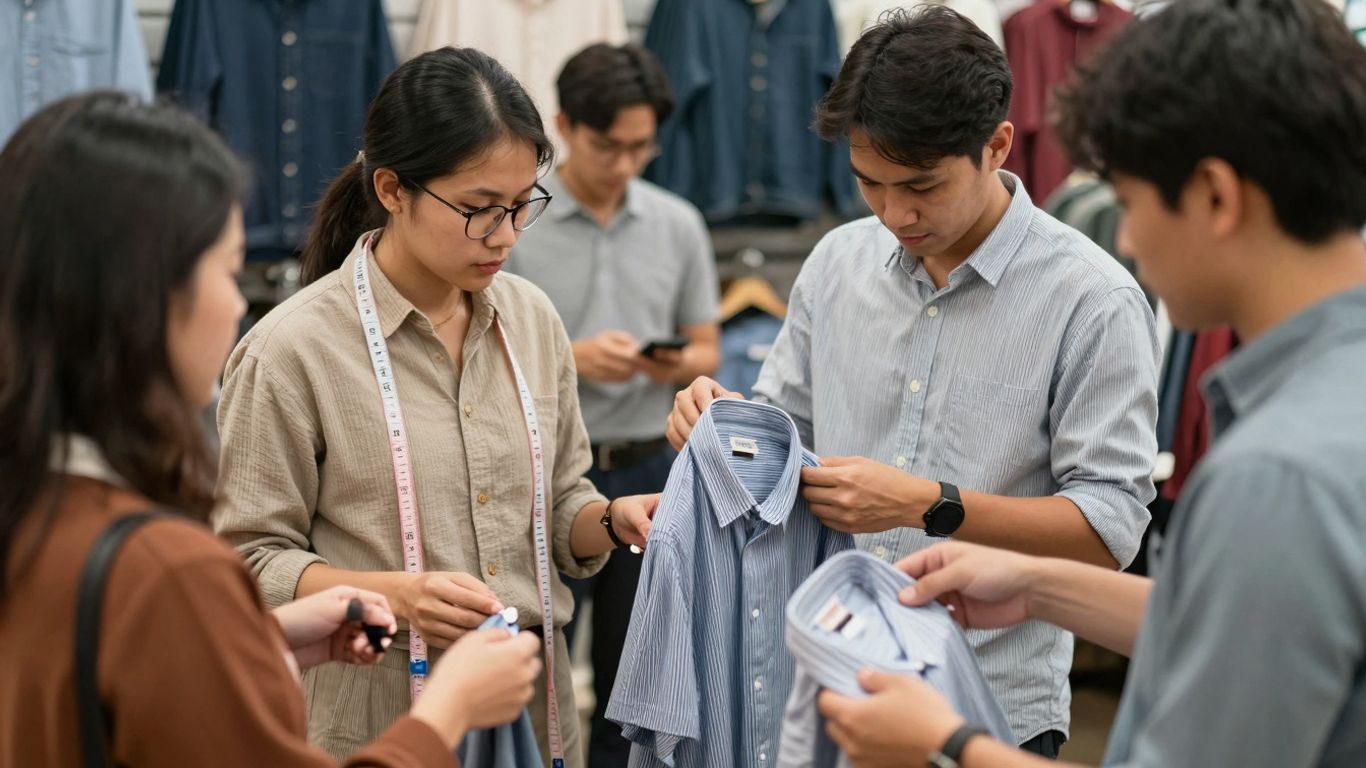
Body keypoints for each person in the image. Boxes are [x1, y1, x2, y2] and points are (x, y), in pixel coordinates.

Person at [815, 0, 1366, 765]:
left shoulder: (1277, 474)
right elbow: (1238, 625)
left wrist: (949, 748)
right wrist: (1039, 587)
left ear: (1214, 195)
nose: (1130, 239)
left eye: (1130, 203)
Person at [666, 6, 1159, 756]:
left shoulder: (1092, 299)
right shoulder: (836, 264)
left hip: (990, 704)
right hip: (831, 692)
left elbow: (1107, 531)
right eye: (870, 182)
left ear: (996, 147)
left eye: (923, 186)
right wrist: (728, 426)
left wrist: (932, 504)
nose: (896, 212)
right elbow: (783, 433)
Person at [0, 91, 545, 766]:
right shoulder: (166, 568)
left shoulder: (35, 510)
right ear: (144, 298)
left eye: (520, 205)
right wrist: (448, 711)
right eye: (228, 272)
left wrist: (256, 638)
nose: (237, 305)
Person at [212, 47, 658, 767]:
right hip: (371, 729)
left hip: (531, 724)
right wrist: (397, 594)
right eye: (479, 210)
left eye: (521, 206)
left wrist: (611, 520)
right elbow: (247, 563)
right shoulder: (292, 351)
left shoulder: (531, 321)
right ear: (392, 189)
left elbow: (561, 503)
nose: (506, 236)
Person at [505, 42, 719, 767]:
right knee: (529, 668)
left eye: (641, 147)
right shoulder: (514, 222)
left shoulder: (677, 222)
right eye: (608, 147)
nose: (626, 164)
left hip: (651, 475)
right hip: (540, 477)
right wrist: (573, 358)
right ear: (564, 124)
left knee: (635, 681)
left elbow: (706, 352)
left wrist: (666, 362)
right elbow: (479, 356)